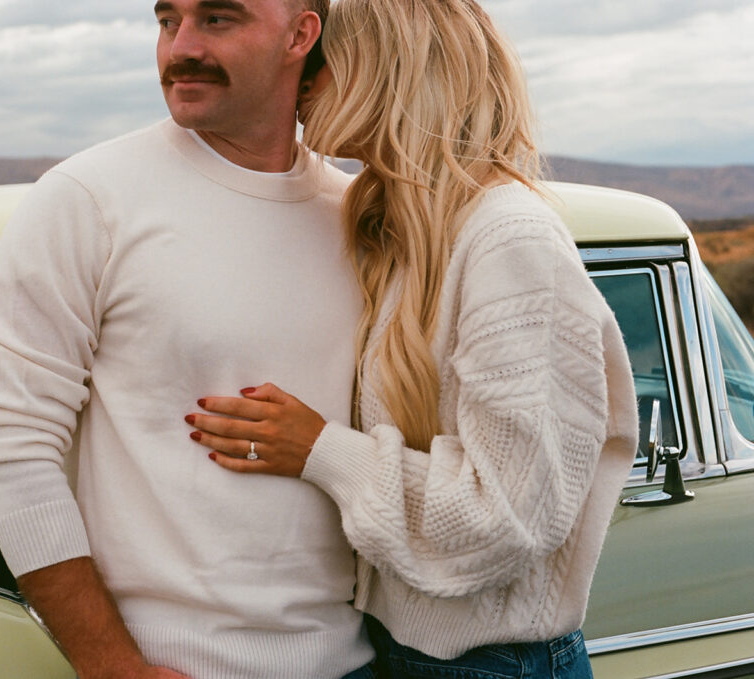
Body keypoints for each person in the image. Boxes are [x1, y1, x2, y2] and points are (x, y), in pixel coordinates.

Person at [185, 0, 639, 677]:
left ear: (386, 69)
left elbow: (507, 517)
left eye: (324, 59)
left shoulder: (508, 240)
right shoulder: (399, 234)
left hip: (496, 664)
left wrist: (317, 448)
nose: (303, 80)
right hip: (398, 649)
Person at [0, 1, 376, 678]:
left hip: (359, 661)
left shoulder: (355, 213)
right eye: (166, 20)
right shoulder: (85, 199)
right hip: (171, 665)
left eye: (217, 19)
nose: (180, 46)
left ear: (302, 34)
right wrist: (110, 662)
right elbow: (12, 443)